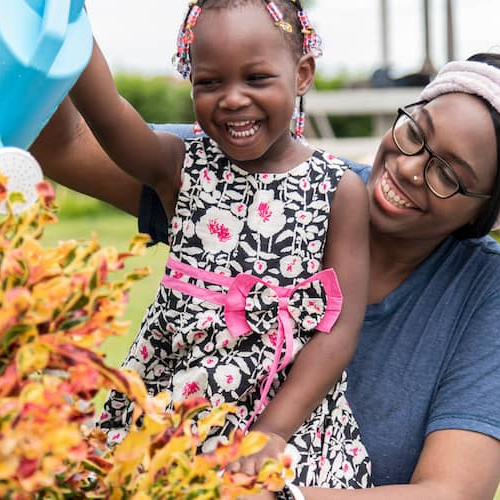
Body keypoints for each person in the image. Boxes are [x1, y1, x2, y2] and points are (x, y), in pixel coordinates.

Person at [31, 0, 373, 489]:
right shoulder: (181, 165)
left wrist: (273, 433)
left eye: (256, 78)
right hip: (176, 403)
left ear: (302, 74)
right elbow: (109, 115)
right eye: (209, 82)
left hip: (283, 416)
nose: (233, 99)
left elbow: (337, 330)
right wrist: (67, 18)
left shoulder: (339, 190)